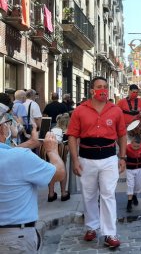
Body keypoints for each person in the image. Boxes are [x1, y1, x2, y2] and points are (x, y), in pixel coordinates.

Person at [0, 95, 66, 253]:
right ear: (2, 129)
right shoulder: (19, 157)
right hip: (14, 237)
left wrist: (31, 143)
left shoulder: (15, 154)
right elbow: (59, 173)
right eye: (8, 123)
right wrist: (52, 151)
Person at [67, 76, 127, 248]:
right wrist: (75, 160)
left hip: (109, 158)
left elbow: (122, 135)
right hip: (87, 158)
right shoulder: (80, 110)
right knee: (89, 194)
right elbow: (72, 135)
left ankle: (109, 233)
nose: (103, 90)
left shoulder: (115, 110)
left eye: (105, 87)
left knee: (108, 194)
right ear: (92, 90)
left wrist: (122, 157)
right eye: (99, 87)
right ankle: (92, 227)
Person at [47, 113, 71, 202]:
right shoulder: (66, 132)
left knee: (50, 171)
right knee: (63, 169)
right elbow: (67, 146)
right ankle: (63, 193)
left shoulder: (52, 130)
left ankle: (51, 194)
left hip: (48, 152)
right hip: (59, 152)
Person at [125, 135, 141, 213]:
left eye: (138, 146)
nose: (136, 148)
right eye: (134, 146)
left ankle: (134, 196)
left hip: (139, 169)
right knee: (130, 185)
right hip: (130, 169)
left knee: (137, 185)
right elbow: (122, 155)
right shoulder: (127, 147)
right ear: (131, 142)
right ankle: (129, 203)